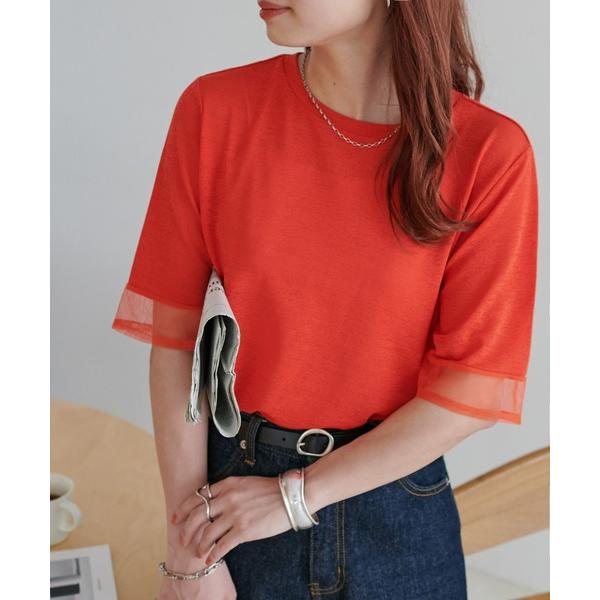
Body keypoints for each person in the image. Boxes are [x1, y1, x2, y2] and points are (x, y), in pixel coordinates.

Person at [112, 1, 539, 599]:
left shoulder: (489, 154)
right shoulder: (216, 110)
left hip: (395, 508)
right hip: (231, 504)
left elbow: (468, 393)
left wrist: (294, 497)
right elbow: (178, 342)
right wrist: (190, 552)